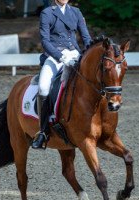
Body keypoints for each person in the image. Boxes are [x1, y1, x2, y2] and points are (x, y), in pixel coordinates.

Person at [32, 0, 92, 149]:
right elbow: (45, 41)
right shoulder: (47, 13)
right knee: (43, 87)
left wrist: (92, 52)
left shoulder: (76, 12)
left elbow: (86, 37)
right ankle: (43, 131)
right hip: (55, 56)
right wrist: (60, 56)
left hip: (74, 54)